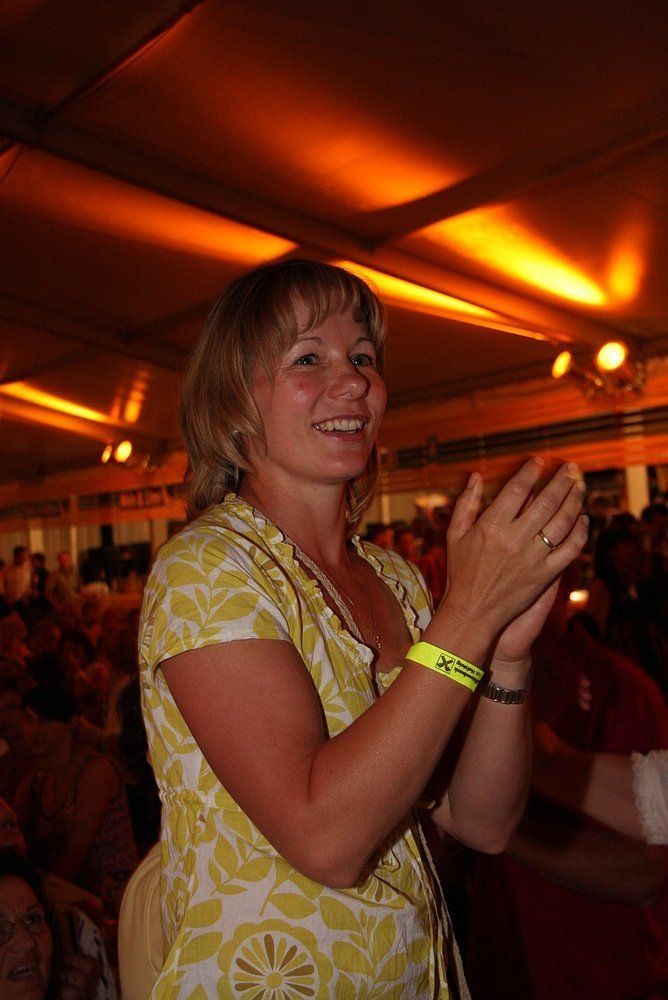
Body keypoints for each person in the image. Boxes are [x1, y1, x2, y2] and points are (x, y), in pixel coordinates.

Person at [139, 259, 587, 997]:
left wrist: (506, 655)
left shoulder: (396, 580)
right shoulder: (206, 568)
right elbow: (326, 839)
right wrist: (469, 617)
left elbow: (480, 820)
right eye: (307, 358)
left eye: (363, 357)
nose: (351, 381)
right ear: (233, 397)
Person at [15, 684, 138, 898]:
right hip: (70, 890)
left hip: (113, 893)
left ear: (71, 722)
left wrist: (40, 896)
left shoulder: (96, 770)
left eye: (45, 721)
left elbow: (75, 851)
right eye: (29, 719)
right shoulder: (38, 775)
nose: (34, 730)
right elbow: (14, 820)